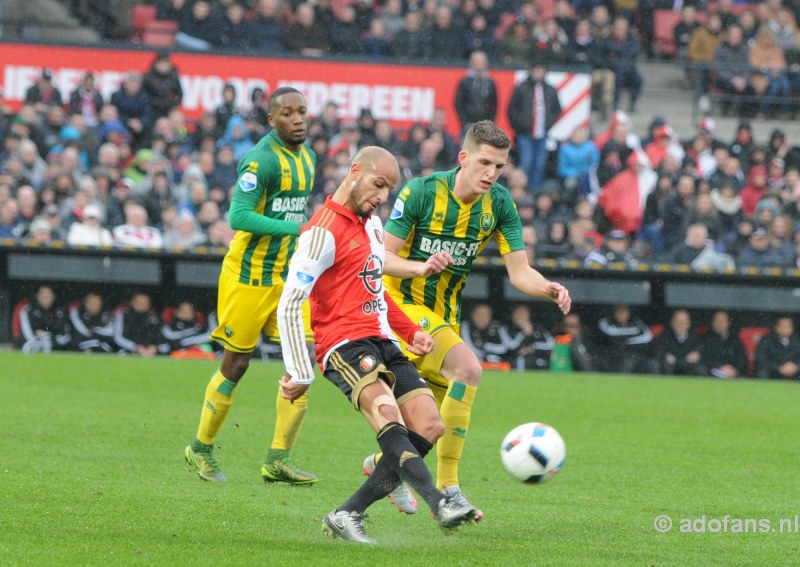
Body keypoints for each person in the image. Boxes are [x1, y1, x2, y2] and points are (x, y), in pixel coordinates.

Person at [277, 146, 478, 544]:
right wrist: (300, 372)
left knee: (430, 425)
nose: (383, 196)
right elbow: (290, 303)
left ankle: (347, 512)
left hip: (383, 338)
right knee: (389, 415)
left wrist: (408, 331)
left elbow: (373, 285)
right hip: (344, 344)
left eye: (389, 189)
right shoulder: (321, 232)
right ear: (355, 172)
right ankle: (441, 503)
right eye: (379, 184)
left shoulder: (371, 223)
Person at [374, 120, 571, 516]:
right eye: (484, 163)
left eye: (499, 166)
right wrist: (420, 267)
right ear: (463, 158)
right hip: (399, 307)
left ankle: (384, 470)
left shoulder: (499, 203)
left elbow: (519, 271)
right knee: (468, 368)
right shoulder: (421, 192)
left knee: (429, 426)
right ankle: (449, 489)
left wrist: (546, 286)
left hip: (443, 314)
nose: (491, 174)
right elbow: (381, 259)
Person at [184, 87, 318, 485]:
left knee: (304, 360)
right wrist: (296, 228)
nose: (297, 119)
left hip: (286, 279)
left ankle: (278, 458)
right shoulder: (260, 162)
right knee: (236, 364)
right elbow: (239, 216)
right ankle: (200, 448)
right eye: (287, 113)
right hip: (247, 277)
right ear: (271, 121)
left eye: (302, 112)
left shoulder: (307, 158)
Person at [508, 62, 562, 192]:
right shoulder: (521, 88)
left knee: (539, 165)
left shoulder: (550, 89)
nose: (538, 73)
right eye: (535, 69)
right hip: (524, 134)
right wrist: (520, 126)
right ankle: (521, 191)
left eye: (541, 69)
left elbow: (557, 109)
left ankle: (535, 191)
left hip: (542, 134)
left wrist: (548, 124)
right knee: (525, 164)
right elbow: (511, 110)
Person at [595, 303, 652, 373]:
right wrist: (629, 335)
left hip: (633, 353)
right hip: (613, 354)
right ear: (615, 313)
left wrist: (627, 341)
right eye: (619, 312)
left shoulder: (636, 322)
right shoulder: (607, 322)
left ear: (628, 314)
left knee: (651, 363)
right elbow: (610, 335)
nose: (621, 315)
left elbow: (648, 337)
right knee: (626, 362)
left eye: (623, 312)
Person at [454, 51, 498, 138]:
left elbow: (494, 104)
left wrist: (489, 122)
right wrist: (464, 121)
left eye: (481, 62)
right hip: (468, 124)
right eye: (476, 61)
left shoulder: (490, 82)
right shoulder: (465, 81)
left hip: (485, 126)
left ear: (486, 63)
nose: (478, 64)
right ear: (471, 63)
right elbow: (458, 102)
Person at [15, 285, 70, 353]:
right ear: (38, 296)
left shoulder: (59, 311)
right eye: (43, 296)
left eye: (49, 296)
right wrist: (42, 337)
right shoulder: (28, 311)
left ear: (54, 297)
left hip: (55, 347)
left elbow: (64, 336)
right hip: (33, 346)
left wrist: (47, 336)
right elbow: (28, 336)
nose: (46, 299)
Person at [113, 291, 169, 357]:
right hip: (128, 351)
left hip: (152, 354)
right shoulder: (123, 315)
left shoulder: (156, 318)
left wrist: (155, 348)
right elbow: (118, 338)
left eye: (145, 302)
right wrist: (135, 347)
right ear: (131, 302)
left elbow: (166, 343)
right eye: (138, 302)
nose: (141, 305)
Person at [652, 309, 705, 376]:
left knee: (700, 369)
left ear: (689, 324)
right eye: (678, 321)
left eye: (683, 322)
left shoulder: (695, 339)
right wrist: (665, 356)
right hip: (668, 367)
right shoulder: (664, 337)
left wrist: (697, 354)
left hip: (688, 367)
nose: (680, 324)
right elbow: (658, 350)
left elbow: (701, 350)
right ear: (672, 323)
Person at [699, 310, 747, 379]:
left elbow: (742, 359)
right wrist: (719, 368)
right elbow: (704, 359)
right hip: (712, 374)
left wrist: (733, 369)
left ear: (728, 322)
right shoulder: (706, 339)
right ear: (713, 323)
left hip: (733, 374)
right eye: (717, 321)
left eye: (722, 321)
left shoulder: (735, 339)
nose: (720, 323)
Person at [755, 316, 800, 380]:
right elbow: (761, 360)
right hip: (773, 373)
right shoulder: (766, 341)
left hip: (795, 373)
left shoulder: (797, 341)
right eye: (783, 326)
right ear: (776, 327)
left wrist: (796, 367)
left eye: (788, 326)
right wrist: (778, 368)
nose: (786, 329)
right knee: (762, 373)